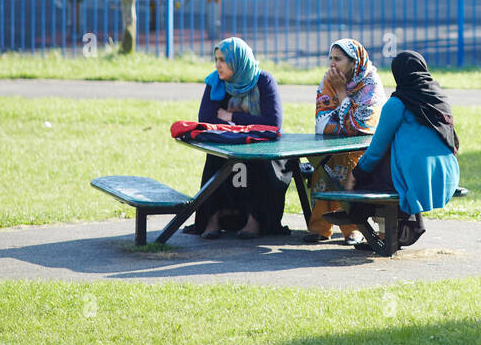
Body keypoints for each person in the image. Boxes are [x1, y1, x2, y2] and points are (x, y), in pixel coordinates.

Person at [343, 51, 460, 252]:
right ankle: (396, 229)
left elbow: (376, 150)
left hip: (418, 178)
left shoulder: (397, 104)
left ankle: (378, 233)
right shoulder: (439, 98)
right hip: (447, 176)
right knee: (397, 166)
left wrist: (355, 174)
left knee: (369, 177)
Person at [186, 37, 290, 239]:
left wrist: (232, 117)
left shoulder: (264, 81)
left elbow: (272, 124)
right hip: (228, 143)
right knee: (216, 159)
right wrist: (248, 124)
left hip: (263, 146)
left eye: (223, 60)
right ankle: (212, 219)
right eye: (216, 59)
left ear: (238, 61)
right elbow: (206, 120)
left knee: (259, 162)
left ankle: (255, 220)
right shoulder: (215, 82)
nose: (218, 65)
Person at [304, 38, 385, 244]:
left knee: (347, 163)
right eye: (330, 58)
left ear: (353, 61)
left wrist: (341, 93)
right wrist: (345, 118)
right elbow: (322, 123)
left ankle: (354, 228)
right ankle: (320, 226)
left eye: (338, 59)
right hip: (332, 145)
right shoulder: (328, 79)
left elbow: (360, 128)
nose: (332, 64)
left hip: (362, 149)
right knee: (323, 165)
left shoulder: (370, 84)